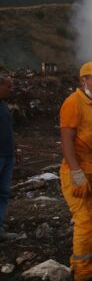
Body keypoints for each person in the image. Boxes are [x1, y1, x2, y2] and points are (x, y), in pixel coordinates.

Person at [59, 61, 92, 281]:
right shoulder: (74, 102)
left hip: (91, 173)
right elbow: (66, 139)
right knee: (85, 220)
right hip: (79, 173)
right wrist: (76, 173)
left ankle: (90, 265)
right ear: (84, 80)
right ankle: (82, 272)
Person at [0, 72, 17, 240]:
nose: (10, 90)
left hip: (7, 155)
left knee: (4, 192)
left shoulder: (3, 105)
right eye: (8, 86)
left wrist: (15, 149)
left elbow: (8, 130)